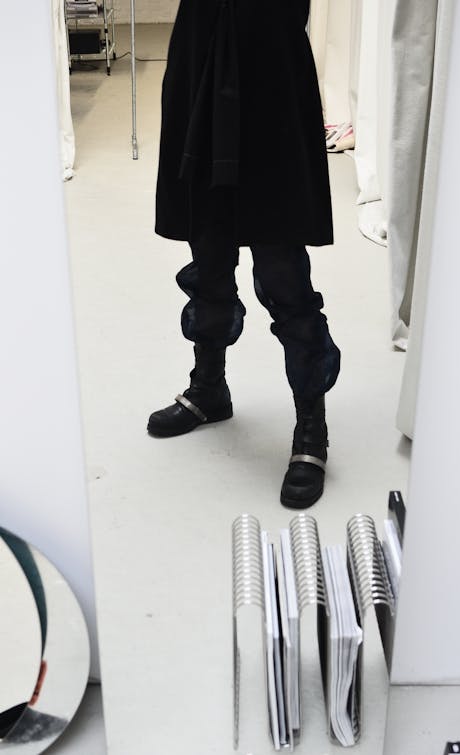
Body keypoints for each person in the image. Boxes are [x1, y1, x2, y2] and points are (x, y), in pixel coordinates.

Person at [148, 0, 341, 508]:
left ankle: (311, 427)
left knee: (281, 261)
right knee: (207, 244)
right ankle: (209, 387)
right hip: (201, 48)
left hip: (269, 61)